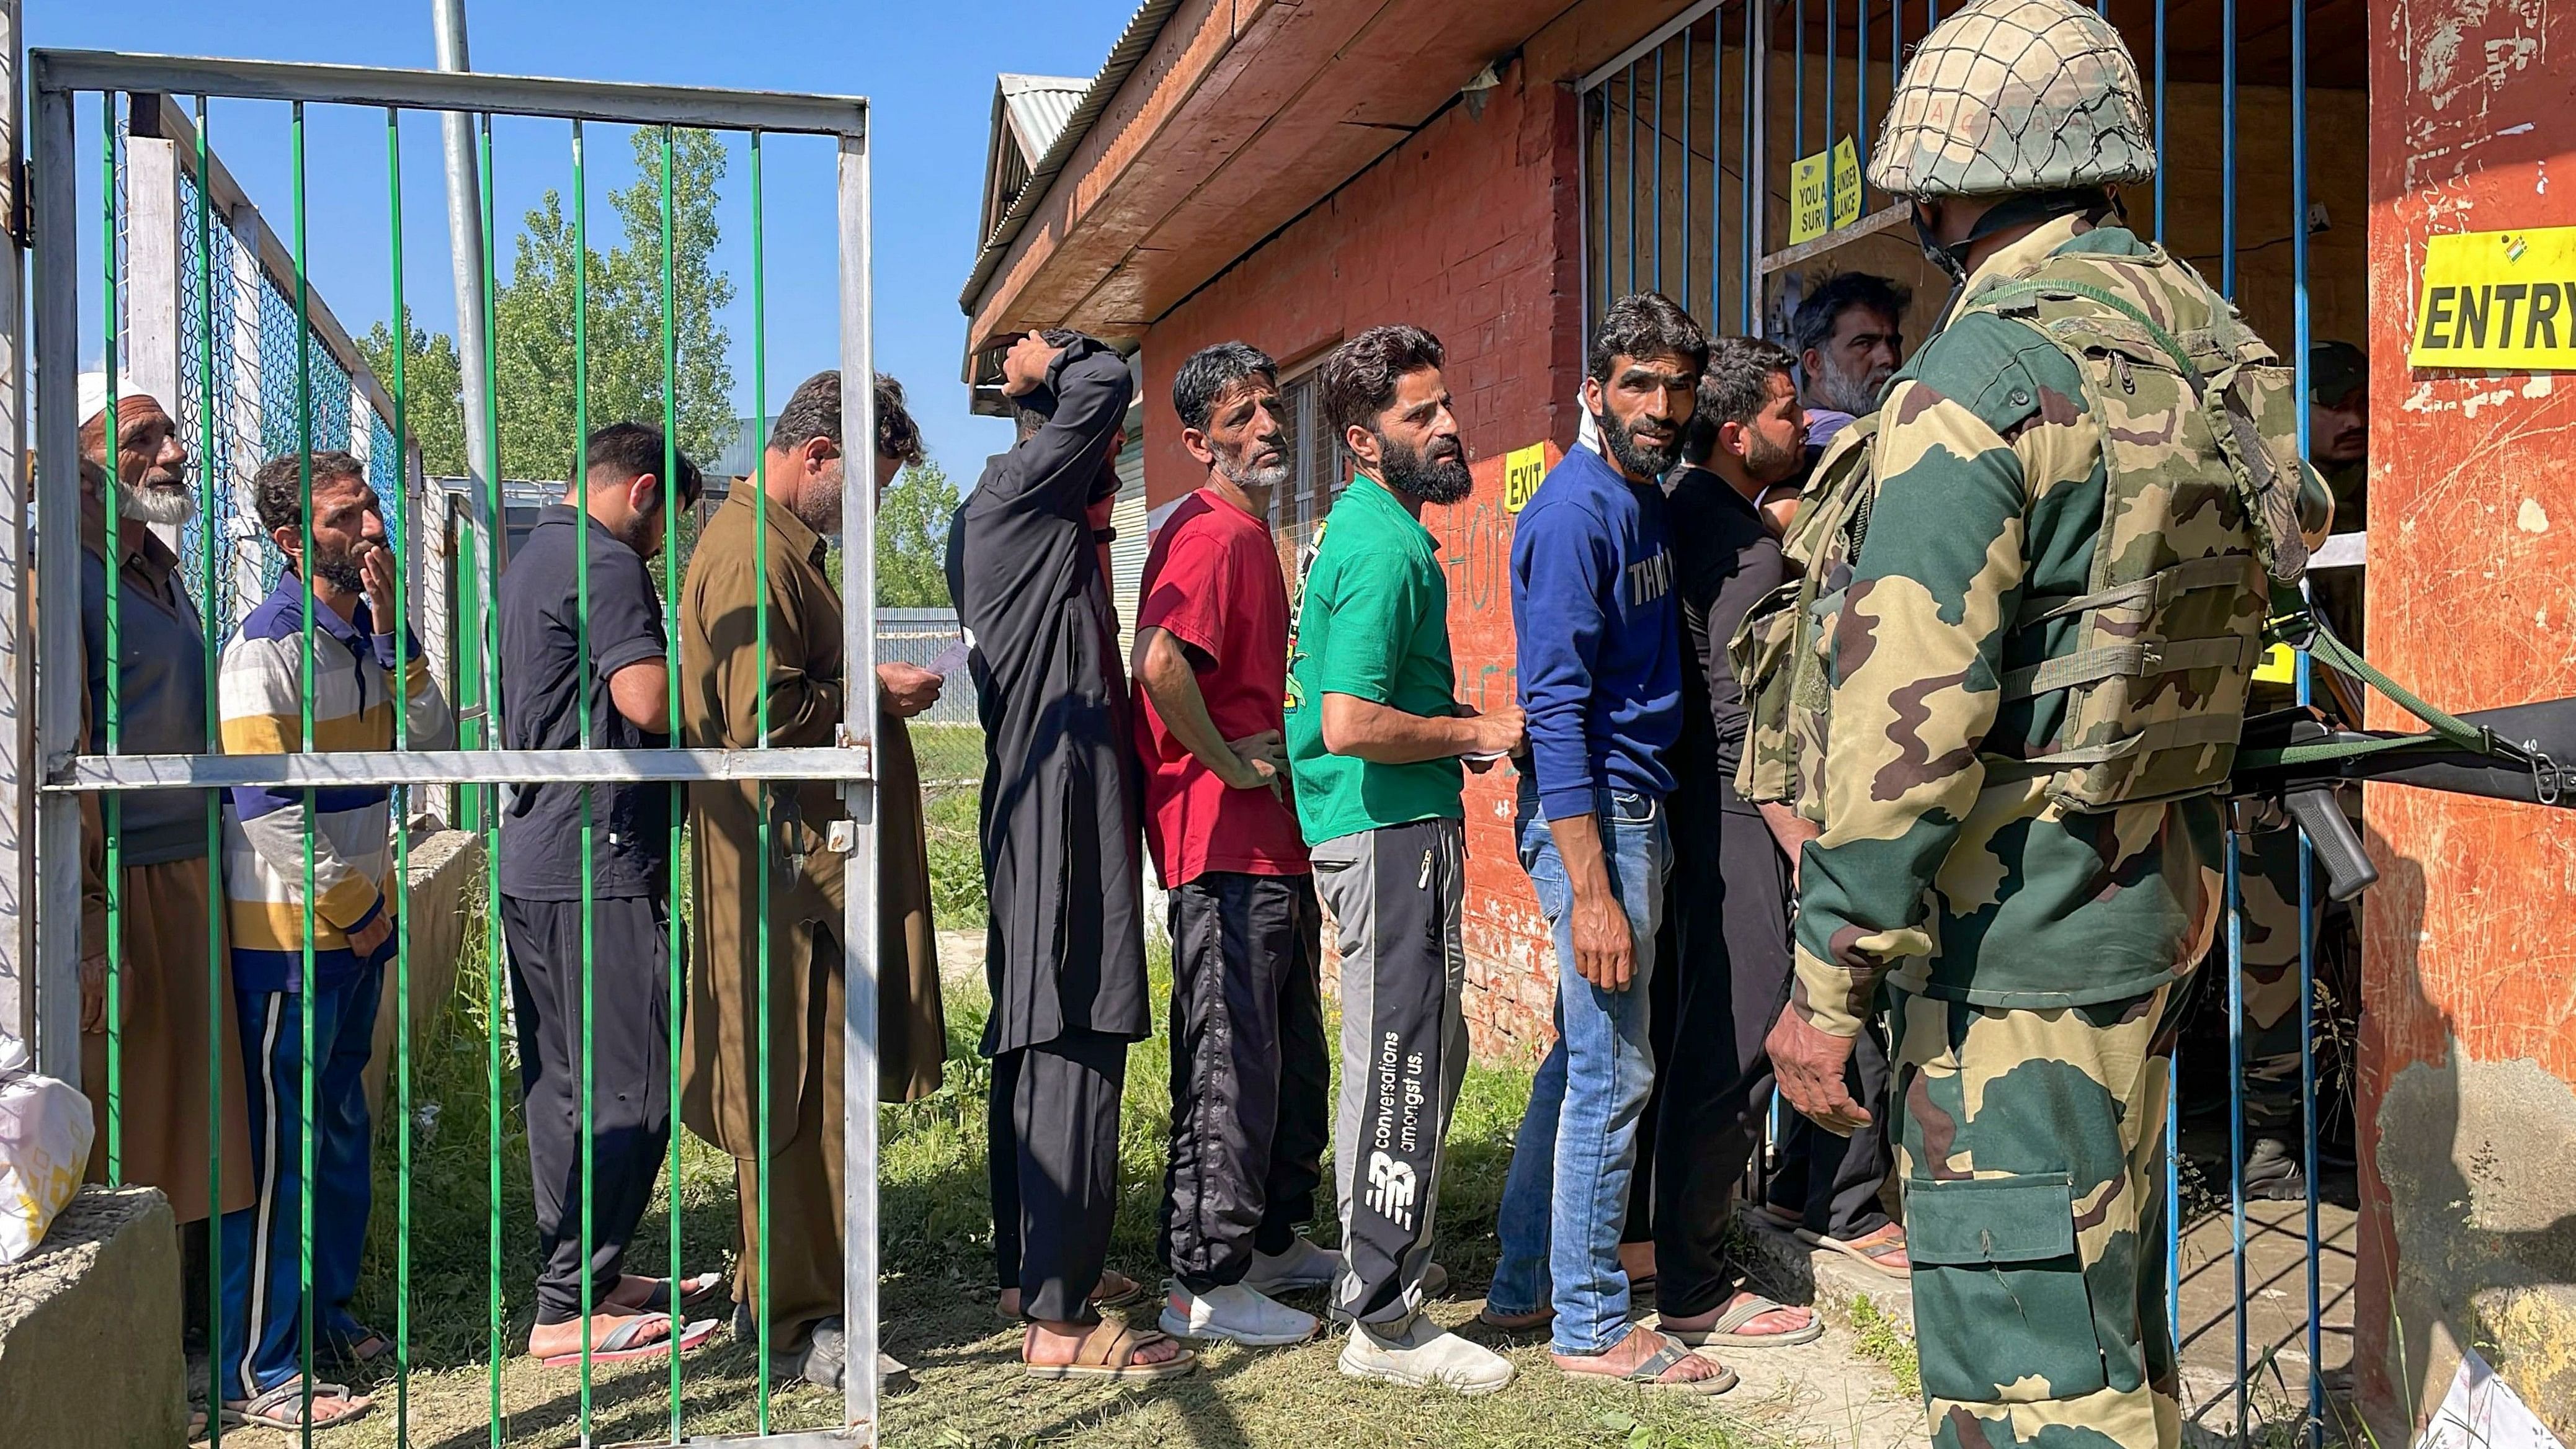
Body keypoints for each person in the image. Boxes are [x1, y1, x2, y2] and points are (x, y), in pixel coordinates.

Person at [1765, 1, 2330, 1442]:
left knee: (2032, 1379)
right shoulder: (2209, 348)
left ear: (1946, 189)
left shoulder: (1983, 380)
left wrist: (1826, 988)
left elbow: (1907, 726)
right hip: (2152, 911)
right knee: (2106, 1317)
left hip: (2010, 950)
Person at [1481, 293, 1732, 1396]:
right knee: (1612, 1070)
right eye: (1637, 383)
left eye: (1678, 386)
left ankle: (1528, 1278)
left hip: (1630, 812)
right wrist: (1591, 891)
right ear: (1592, 391)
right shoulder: (1578, 514)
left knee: (1581, 1056)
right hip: (1601, 823)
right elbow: (1555, 709)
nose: (1661, 406)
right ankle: (1588, 1322)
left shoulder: (1639, 501)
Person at [680, 370, 950, 1393]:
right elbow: (763, 716)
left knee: (808, 1102)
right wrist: (869, 692)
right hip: (779, 880)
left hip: (791, 874)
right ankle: (802, 1327)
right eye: (868, 486)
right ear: (818, 455)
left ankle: (794, 1299)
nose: (871, 510)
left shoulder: (782, 552)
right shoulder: (756, 558)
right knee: (793, 1105)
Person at [946, 331, 1188, 1383]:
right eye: (1105, 455)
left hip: (1042, 798)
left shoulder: (1033, 520)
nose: (1114, 470)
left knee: (1032, 1029)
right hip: (1055, 806)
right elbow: (1104, 383)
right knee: (1072, 1028)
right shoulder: (1018, 499)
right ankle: (1057, 1316)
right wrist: (1057, 358)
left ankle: (1025, 1269)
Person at [1286, 324, 1522, 1394]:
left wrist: (1451, 719)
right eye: (1416, 415)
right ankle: (1383, 1322)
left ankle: (1373, 1286)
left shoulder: (1374, 529)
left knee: (1415, 1050)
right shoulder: (1380, 544)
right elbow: (1346, 720)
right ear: (1360, 438)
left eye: (1443, 404)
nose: (1445, 426)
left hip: (1383, 829)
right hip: (1385, 835)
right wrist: (1473, 733)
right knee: (1400, 1062)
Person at [216, 448, 453, 1431]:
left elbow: (435, 740)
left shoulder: (366, 633)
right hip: (290, 936)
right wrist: (354, 907)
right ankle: (259, 1369)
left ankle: (331, 1314)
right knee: (279, 1150)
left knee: (344, 1126)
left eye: (371, 512)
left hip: (365, 922)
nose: (370, 532)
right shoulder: (262, 645)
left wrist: (399, 631)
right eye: (343, 519)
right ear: (287, 540)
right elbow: (264, 807)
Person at [497, 422, 718, 1366]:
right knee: (634, 1083)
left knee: (562, 1088)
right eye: (670, 517)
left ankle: (587, 1277)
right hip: (596, 860)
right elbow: (647, 703)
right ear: (639, 492)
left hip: (536, 853)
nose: (667, 538)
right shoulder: (607, 563)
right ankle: (564, 1310)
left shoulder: (533, 554)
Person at [1134, 342, 1332, 1350]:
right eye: (1240, 416)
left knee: (1286, 1061)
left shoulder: (1253, 536)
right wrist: (1225, 761)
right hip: (1220, 851)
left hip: (1270, 853)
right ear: (1195, 441)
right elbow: (1159, 663)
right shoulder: (1209, 536)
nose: (1263, 427)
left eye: (1269, 407)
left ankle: (1265, 1241)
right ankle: (1202, 1283)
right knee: (1228, 1064)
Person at [73, 375, 255, 1298]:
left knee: (196, 1120)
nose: (174, 451)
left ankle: (199, 1333)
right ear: (82, 463)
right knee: (133, 1125)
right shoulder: (64, 575)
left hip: (189, 870)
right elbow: (58, 768)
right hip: (122, 882)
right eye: (143, 437)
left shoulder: (159, 568)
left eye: (173, 433)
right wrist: (96, 918)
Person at [1781, 273, 1909, 533]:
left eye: (1893, 342)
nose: (1888, 358)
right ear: (1814, 363)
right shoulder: (1837, 433)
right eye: (1864, 344)